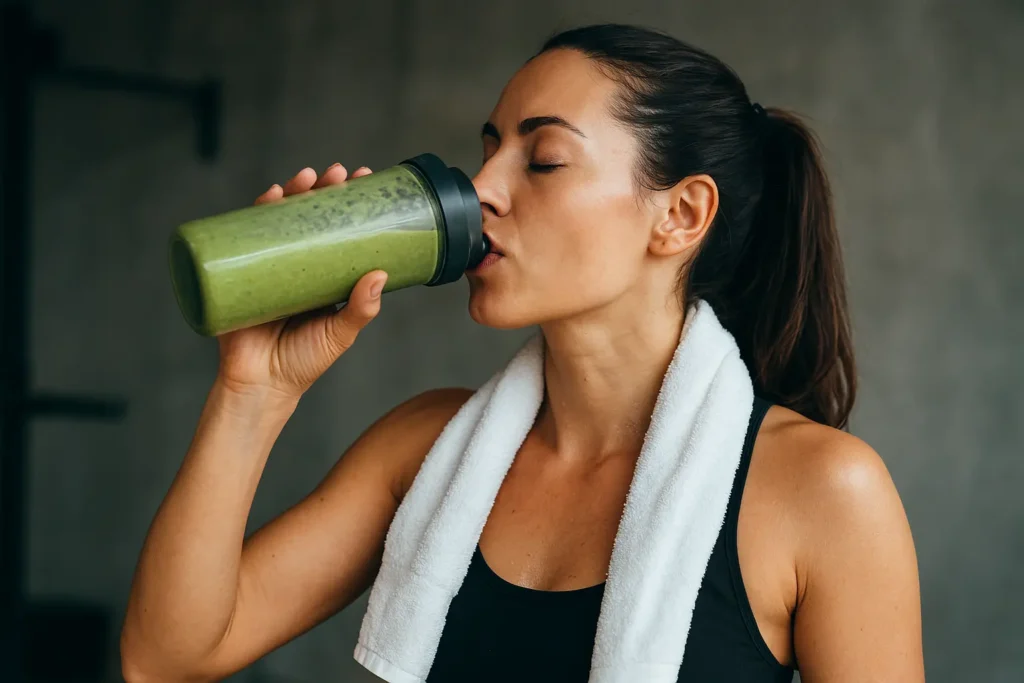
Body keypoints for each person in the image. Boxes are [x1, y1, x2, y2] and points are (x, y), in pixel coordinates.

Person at [121, 23, 924, 683]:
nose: (485, 187)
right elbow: (167, 656)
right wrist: (253, 390)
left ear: (680, 214)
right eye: (491, 148)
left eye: (542, 160)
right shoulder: (422, 448)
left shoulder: (823, 492)